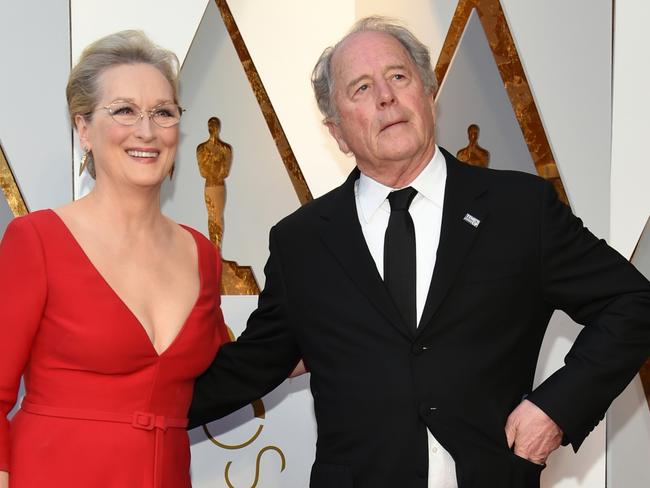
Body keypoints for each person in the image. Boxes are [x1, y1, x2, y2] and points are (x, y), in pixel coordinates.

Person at [188, 17, 650, 488]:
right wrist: (123, 410)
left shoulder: (519, 210)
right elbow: (250, 367)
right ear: (338, 132)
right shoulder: (301, 241)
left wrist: (555, 409)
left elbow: (632, 303)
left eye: (398, 76)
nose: (386, 96)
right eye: (361, 88)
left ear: (427, 94)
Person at [0, 31, 229, 488]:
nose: (146, 131)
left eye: (163, 112)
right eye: (124, 110)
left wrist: (316, 342)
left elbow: (226, 372)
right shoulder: (37, 240)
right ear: (83, 128)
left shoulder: (201, 254)